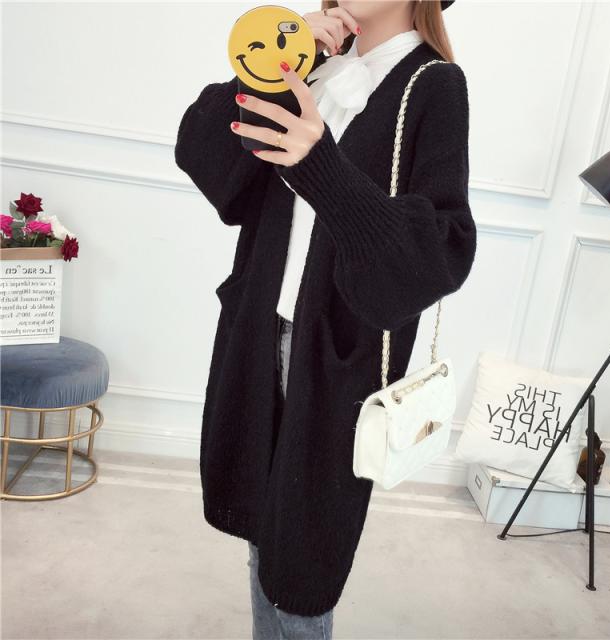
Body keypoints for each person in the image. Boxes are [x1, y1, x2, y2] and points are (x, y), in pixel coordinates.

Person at [174, 1, 473, 638]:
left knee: (303, 566)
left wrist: (321, 165)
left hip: (339, 356)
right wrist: (272, 59)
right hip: (259, 331)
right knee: (261, 530)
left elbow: (441, 252)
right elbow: (204, 157)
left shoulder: (433, 85)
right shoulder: (311, 65)